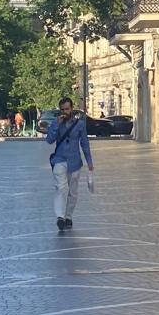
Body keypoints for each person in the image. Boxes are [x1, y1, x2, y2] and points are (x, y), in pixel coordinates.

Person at [46, 96, 93, 232]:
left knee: (73, 192)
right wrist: (56, 125)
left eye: (67, 109)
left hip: (75, 161)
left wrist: (89, 161)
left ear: (72, 109)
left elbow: (84, 143)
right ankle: (60, 217)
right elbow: (49, 140)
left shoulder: (80, 124)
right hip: (59, 159)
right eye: (62, 110)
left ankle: (68, 216)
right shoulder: (56, 122)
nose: (65, 112)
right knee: (60, 188)